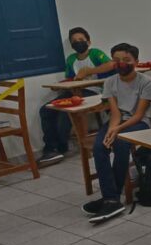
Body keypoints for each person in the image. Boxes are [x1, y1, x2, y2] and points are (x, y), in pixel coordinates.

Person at [82, 43, 151, 223]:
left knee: (120, 143)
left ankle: (112, 198)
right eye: (116, 60)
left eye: (126, 60)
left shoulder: (145, 81)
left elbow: (139, 115)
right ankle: (111, 197)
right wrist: (112, 128)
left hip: (140, 122)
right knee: (100, 147)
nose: (121, 63)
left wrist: (118, 130)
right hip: (118, 121)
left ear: (135, 62)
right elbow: (115, 113)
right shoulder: (110, 82)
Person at [38, 27, 115, 166]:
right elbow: (70, 78)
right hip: (74, 91)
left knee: (65, 113)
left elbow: (111, 65)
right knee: (46, 110)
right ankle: (50, 149)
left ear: (88, 41)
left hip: (93, 91)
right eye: (74, 41)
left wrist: (89, 71)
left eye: (81, 40)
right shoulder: (71, 59)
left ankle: (61, 147)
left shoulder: (95, 53)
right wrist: (59, 85)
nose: (78, 43)